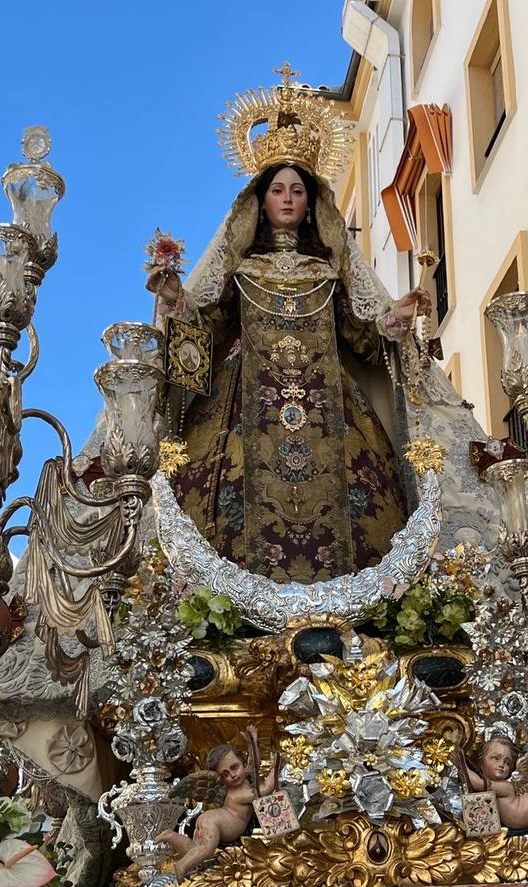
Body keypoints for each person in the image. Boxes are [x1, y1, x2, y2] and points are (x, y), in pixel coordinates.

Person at [151, 162, 429, 583]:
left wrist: (395, 319)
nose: (287, 199)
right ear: (261, 203)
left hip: (328, 406)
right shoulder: (243, 272)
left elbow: (360, 338)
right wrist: (178, 302)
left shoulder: (327, 275)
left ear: (310, 204)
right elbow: (207, 336)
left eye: (297, 192)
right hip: (246, 405)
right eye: (278, 190)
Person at [157, 725, 279, 881]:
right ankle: (182, 866)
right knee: (206, 850)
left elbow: (254, 763)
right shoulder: (238, 794)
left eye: (235, 767)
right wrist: (276, 767)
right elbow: (266, 789)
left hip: (211, 818)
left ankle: (171, 836)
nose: (233, 776)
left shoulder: (245, 778)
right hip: (220, 822)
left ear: (241, 763)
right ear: (220, 779)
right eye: (225, 774)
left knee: (198, 850)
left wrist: (253, 741)